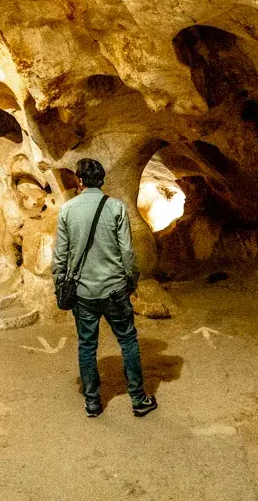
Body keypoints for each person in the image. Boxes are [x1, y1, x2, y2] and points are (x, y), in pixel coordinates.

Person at [52, 158, 158, 418]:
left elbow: (60, 257)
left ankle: (92, 402)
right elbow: (127, 253)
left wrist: (59, 285)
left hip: (82, 292)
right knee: (128, 341)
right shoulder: (116, 208)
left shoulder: (67, 210)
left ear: (79, 180)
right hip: (114, 290)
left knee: (87, 345)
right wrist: (131, 281)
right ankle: (138, 399)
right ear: (102, 180)